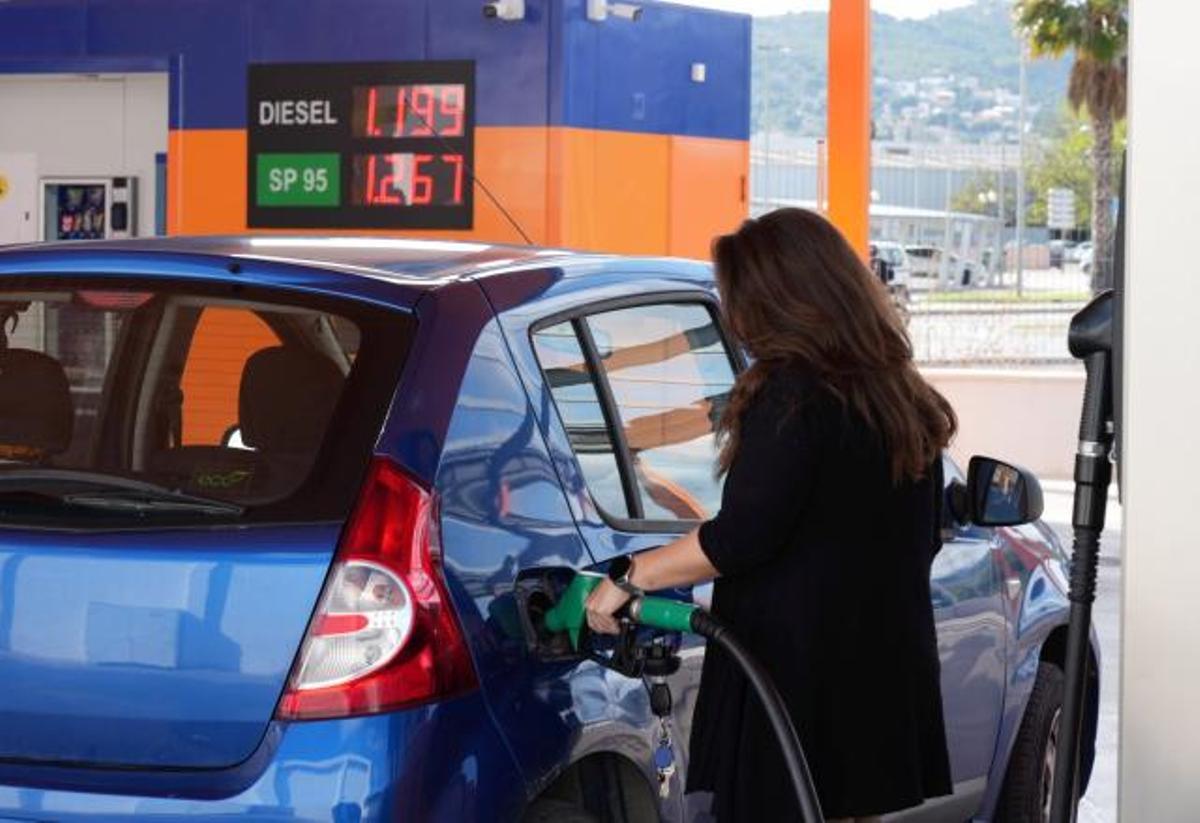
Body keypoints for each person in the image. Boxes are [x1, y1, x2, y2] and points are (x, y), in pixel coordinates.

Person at [585, 208, 958, 822]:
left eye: (738, 299)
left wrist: (630, 576)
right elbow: (922, 536)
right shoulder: (899, 397)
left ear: (777, 302)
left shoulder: (794, 395)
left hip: (794, 677)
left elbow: (740, 537)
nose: (734, 318)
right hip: (877, 669)